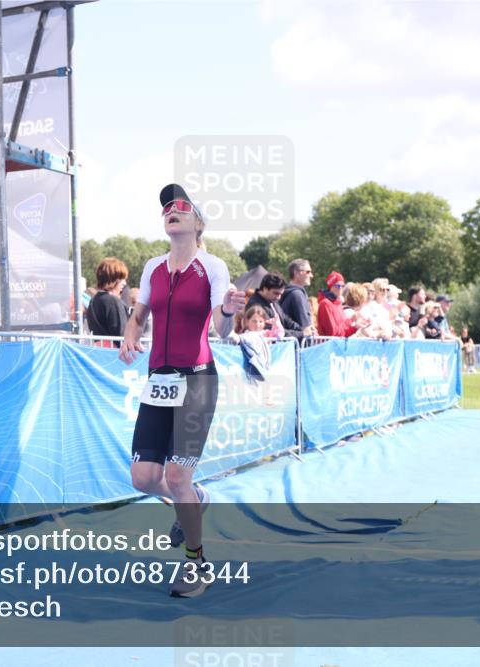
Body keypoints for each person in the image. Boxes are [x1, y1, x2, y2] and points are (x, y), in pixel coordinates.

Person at [120, 184, 245, 598]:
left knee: (176, 477)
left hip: (196, 380)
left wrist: (228, 310)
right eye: (167, 209)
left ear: (198, 223)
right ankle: (195, 497)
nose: (172, 212)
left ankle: (197, 564)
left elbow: (221, 327)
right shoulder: (153, 266)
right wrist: (129, 335)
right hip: (159, 380)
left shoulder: (213, 267)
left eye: (181, 208)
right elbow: (138, 316)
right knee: (143, 478)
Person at [246, 272, 304, 339]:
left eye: (280, 294)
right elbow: (270, 330)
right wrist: (301, 333)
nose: (278, 297)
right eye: (276, 293)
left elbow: (286, 320)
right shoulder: (255, 305)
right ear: (265, 289)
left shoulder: (273, 302)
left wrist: (303, 329)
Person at [86, 257, 130, 340]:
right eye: (121, 278)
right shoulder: (113, 302)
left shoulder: (93, 301)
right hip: (114, 351)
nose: (124, 283)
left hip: (100, 350)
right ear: (111, 278)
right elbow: (121, 335)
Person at [279, 259, 315, 341]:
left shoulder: (290, 292)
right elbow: (305, 326)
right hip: (299, 346)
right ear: (296, 273)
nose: (311, 275)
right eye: (308, 272)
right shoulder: (297, 295)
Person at [317, 271, 358, 337]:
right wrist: (351, 321)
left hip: (338, 344)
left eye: (343, 286)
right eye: (338, 286)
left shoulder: (338, 303)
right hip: (329, 346)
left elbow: (343, 331)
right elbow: (333, 333)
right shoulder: (325, 304)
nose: (341, 289)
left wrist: (356, 326)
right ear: (331, 287)